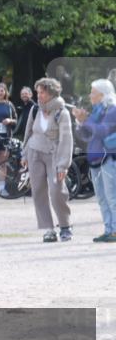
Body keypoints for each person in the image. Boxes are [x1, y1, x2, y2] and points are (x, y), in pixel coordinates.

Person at [22, 77, 74, 242]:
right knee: (38, 192)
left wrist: (63, 165)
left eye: (42, 92)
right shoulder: (35, 109)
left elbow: (67, 139)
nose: (38, 95)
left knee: (57, 190)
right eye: (37, 92)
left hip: (54, 155)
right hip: (34, 152)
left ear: (51, 93)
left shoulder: (61, 111)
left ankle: (65, 226)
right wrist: (24, 154)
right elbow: (28, 132)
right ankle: (48, 229)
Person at [73, 79, 116, 242]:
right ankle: (109, 229)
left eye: (93, 92)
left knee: (112, 195)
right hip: (96, 157)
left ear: (102, 95)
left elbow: (102, 131)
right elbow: (86, 136)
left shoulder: (112, 110)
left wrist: (86, 120)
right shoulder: (97, 111)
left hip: (109, 157)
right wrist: (80, 121)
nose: (90, 95)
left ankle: (115, 230)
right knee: (102, 197)